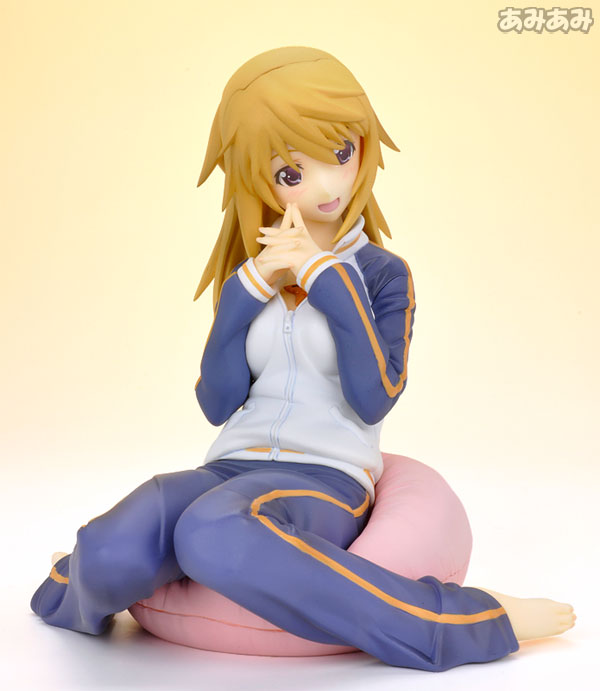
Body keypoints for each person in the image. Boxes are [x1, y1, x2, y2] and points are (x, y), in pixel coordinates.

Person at [30, 46, 575, 672]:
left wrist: (325, 277)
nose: (326, 185)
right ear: (258, 180)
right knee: (109, 545)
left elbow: (374, 397)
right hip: (229, 464)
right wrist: (247, 291)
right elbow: (217, 404)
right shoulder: (248, 276)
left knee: (211, 531)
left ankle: (467, 621)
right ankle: (83, 581)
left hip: (326, 479)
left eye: (341, 154)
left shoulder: (382, 274)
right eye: (292, 172)